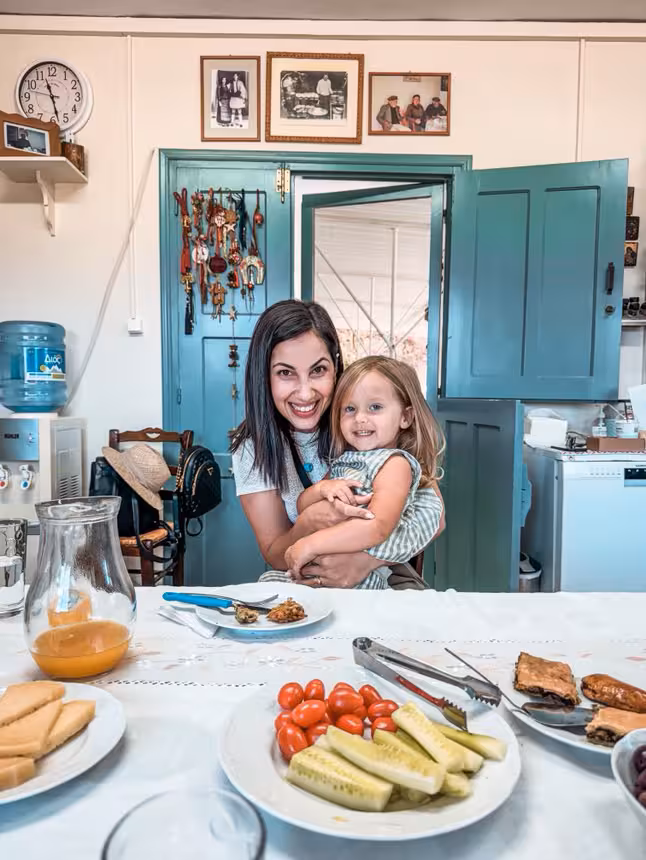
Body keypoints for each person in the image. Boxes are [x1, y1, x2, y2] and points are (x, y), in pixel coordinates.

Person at [231, 300, 444, 588]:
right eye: (285, 373)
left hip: (383, 574)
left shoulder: (364, 425)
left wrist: (365, 561)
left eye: (318, 370)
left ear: (335, 366)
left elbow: (434, 517)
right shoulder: (252, 448)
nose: (305, 393)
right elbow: (275, 553)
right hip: (308, 576)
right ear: (263, 376)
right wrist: (309, 522)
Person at [285, 356, 445, 589]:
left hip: (368, 577)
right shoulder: (346, 461)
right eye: (350, 409)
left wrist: (312, 544)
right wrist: (321, 489)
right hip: (327, 568)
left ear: (405, 417)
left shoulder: (395, 464)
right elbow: (302, 506)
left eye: (375, 407)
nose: (360, 418)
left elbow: (377, 525)